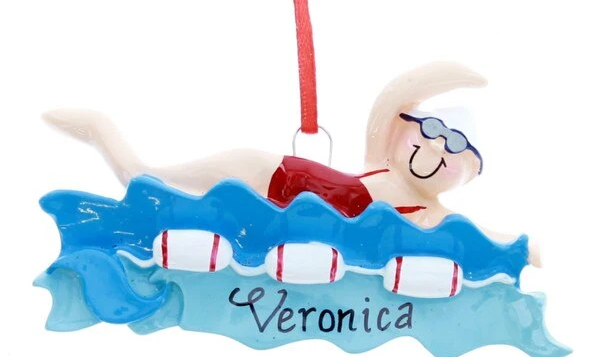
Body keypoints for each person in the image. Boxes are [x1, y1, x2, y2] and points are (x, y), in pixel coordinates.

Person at [43, 61, 540, 265]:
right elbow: (395, 96)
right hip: (271, 172)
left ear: (467, 176)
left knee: (184, 208)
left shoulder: (430, 212)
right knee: (155, 179)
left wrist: (526, 250)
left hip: (281, 217)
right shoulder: (381, 162)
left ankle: (105, 137)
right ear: (402, 131)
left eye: (452, 154)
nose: (433, 152)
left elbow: (477, 236)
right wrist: (453, 78)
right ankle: (106, 137)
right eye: (429, 134)